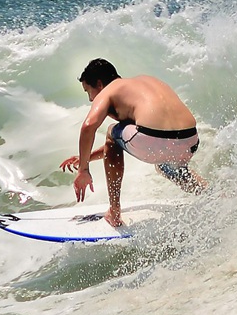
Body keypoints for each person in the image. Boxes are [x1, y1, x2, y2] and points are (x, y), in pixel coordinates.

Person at [60, 58, 207, 227]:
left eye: (88, 91)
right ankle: (211, 195)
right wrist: (86, 158)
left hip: (153, 139)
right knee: (166, 166)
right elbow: (128, 140)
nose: (91, 99)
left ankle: (114, 211)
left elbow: (88, 127)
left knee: (111, 131)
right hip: (189, 141)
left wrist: (83, 170)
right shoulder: (145, 82)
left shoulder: (109, 90)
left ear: (99, 84)